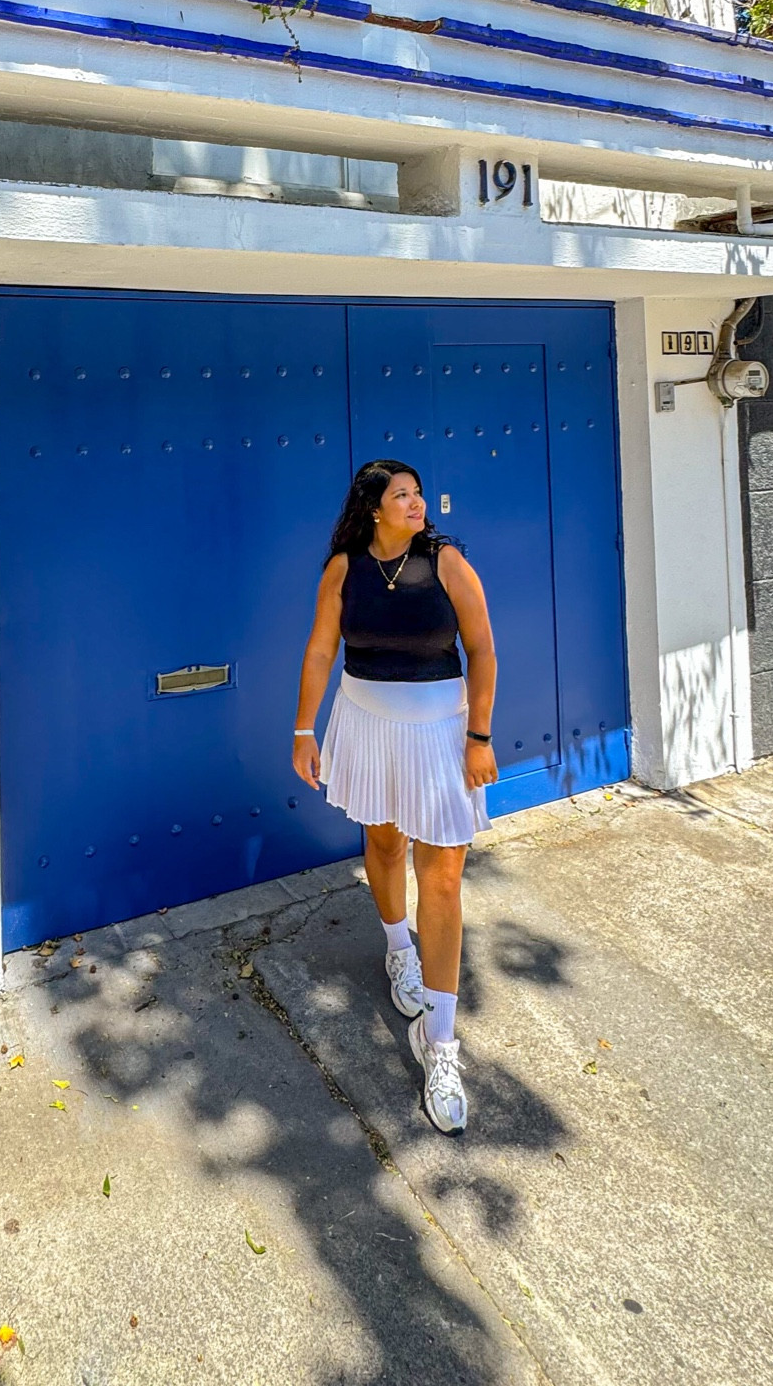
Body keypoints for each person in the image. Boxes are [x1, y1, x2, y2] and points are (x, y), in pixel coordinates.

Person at [292, 458, 497, 1133]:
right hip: (367, 724)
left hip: (441, 732)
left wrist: (479, 736)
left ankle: (439, 1042)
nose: (416, 504)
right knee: (383, 844)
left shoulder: (447, 563)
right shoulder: (344, 569)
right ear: (373, 508)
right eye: (401, 495)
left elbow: (482, 650)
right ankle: (397, 950)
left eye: (418, 493)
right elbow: (320, 651)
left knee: (443, 879)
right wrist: (303, 729)